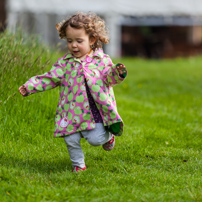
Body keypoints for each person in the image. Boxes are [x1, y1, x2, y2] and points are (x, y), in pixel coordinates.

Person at [19, 12, 127, 172]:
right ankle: (79, 165)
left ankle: (108, 137)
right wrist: (30, 86)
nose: (74, 45)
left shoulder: (102, 60)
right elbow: (50, 78)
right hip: (71, 112)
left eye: (79, 41)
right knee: (70, 138)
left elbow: (110, 78)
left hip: (96, 111)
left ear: (91, 40)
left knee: (95, 140)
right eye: (70, 41)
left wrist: (117, 73)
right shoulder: (65, 64)